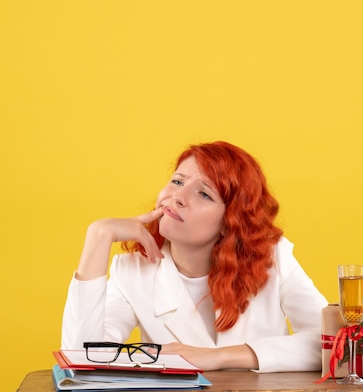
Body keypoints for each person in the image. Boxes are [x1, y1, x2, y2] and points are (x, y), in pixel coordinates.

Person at [61, 141, 328, 372]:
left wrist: (218, 357)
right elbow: (80, 358)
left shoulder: (274, 257)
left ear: (230, 221)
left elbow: (332, 343)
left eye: (203, 193)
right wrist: (98, 236)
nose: (177, 196)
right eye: (177, 181)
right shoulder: (133, 271)